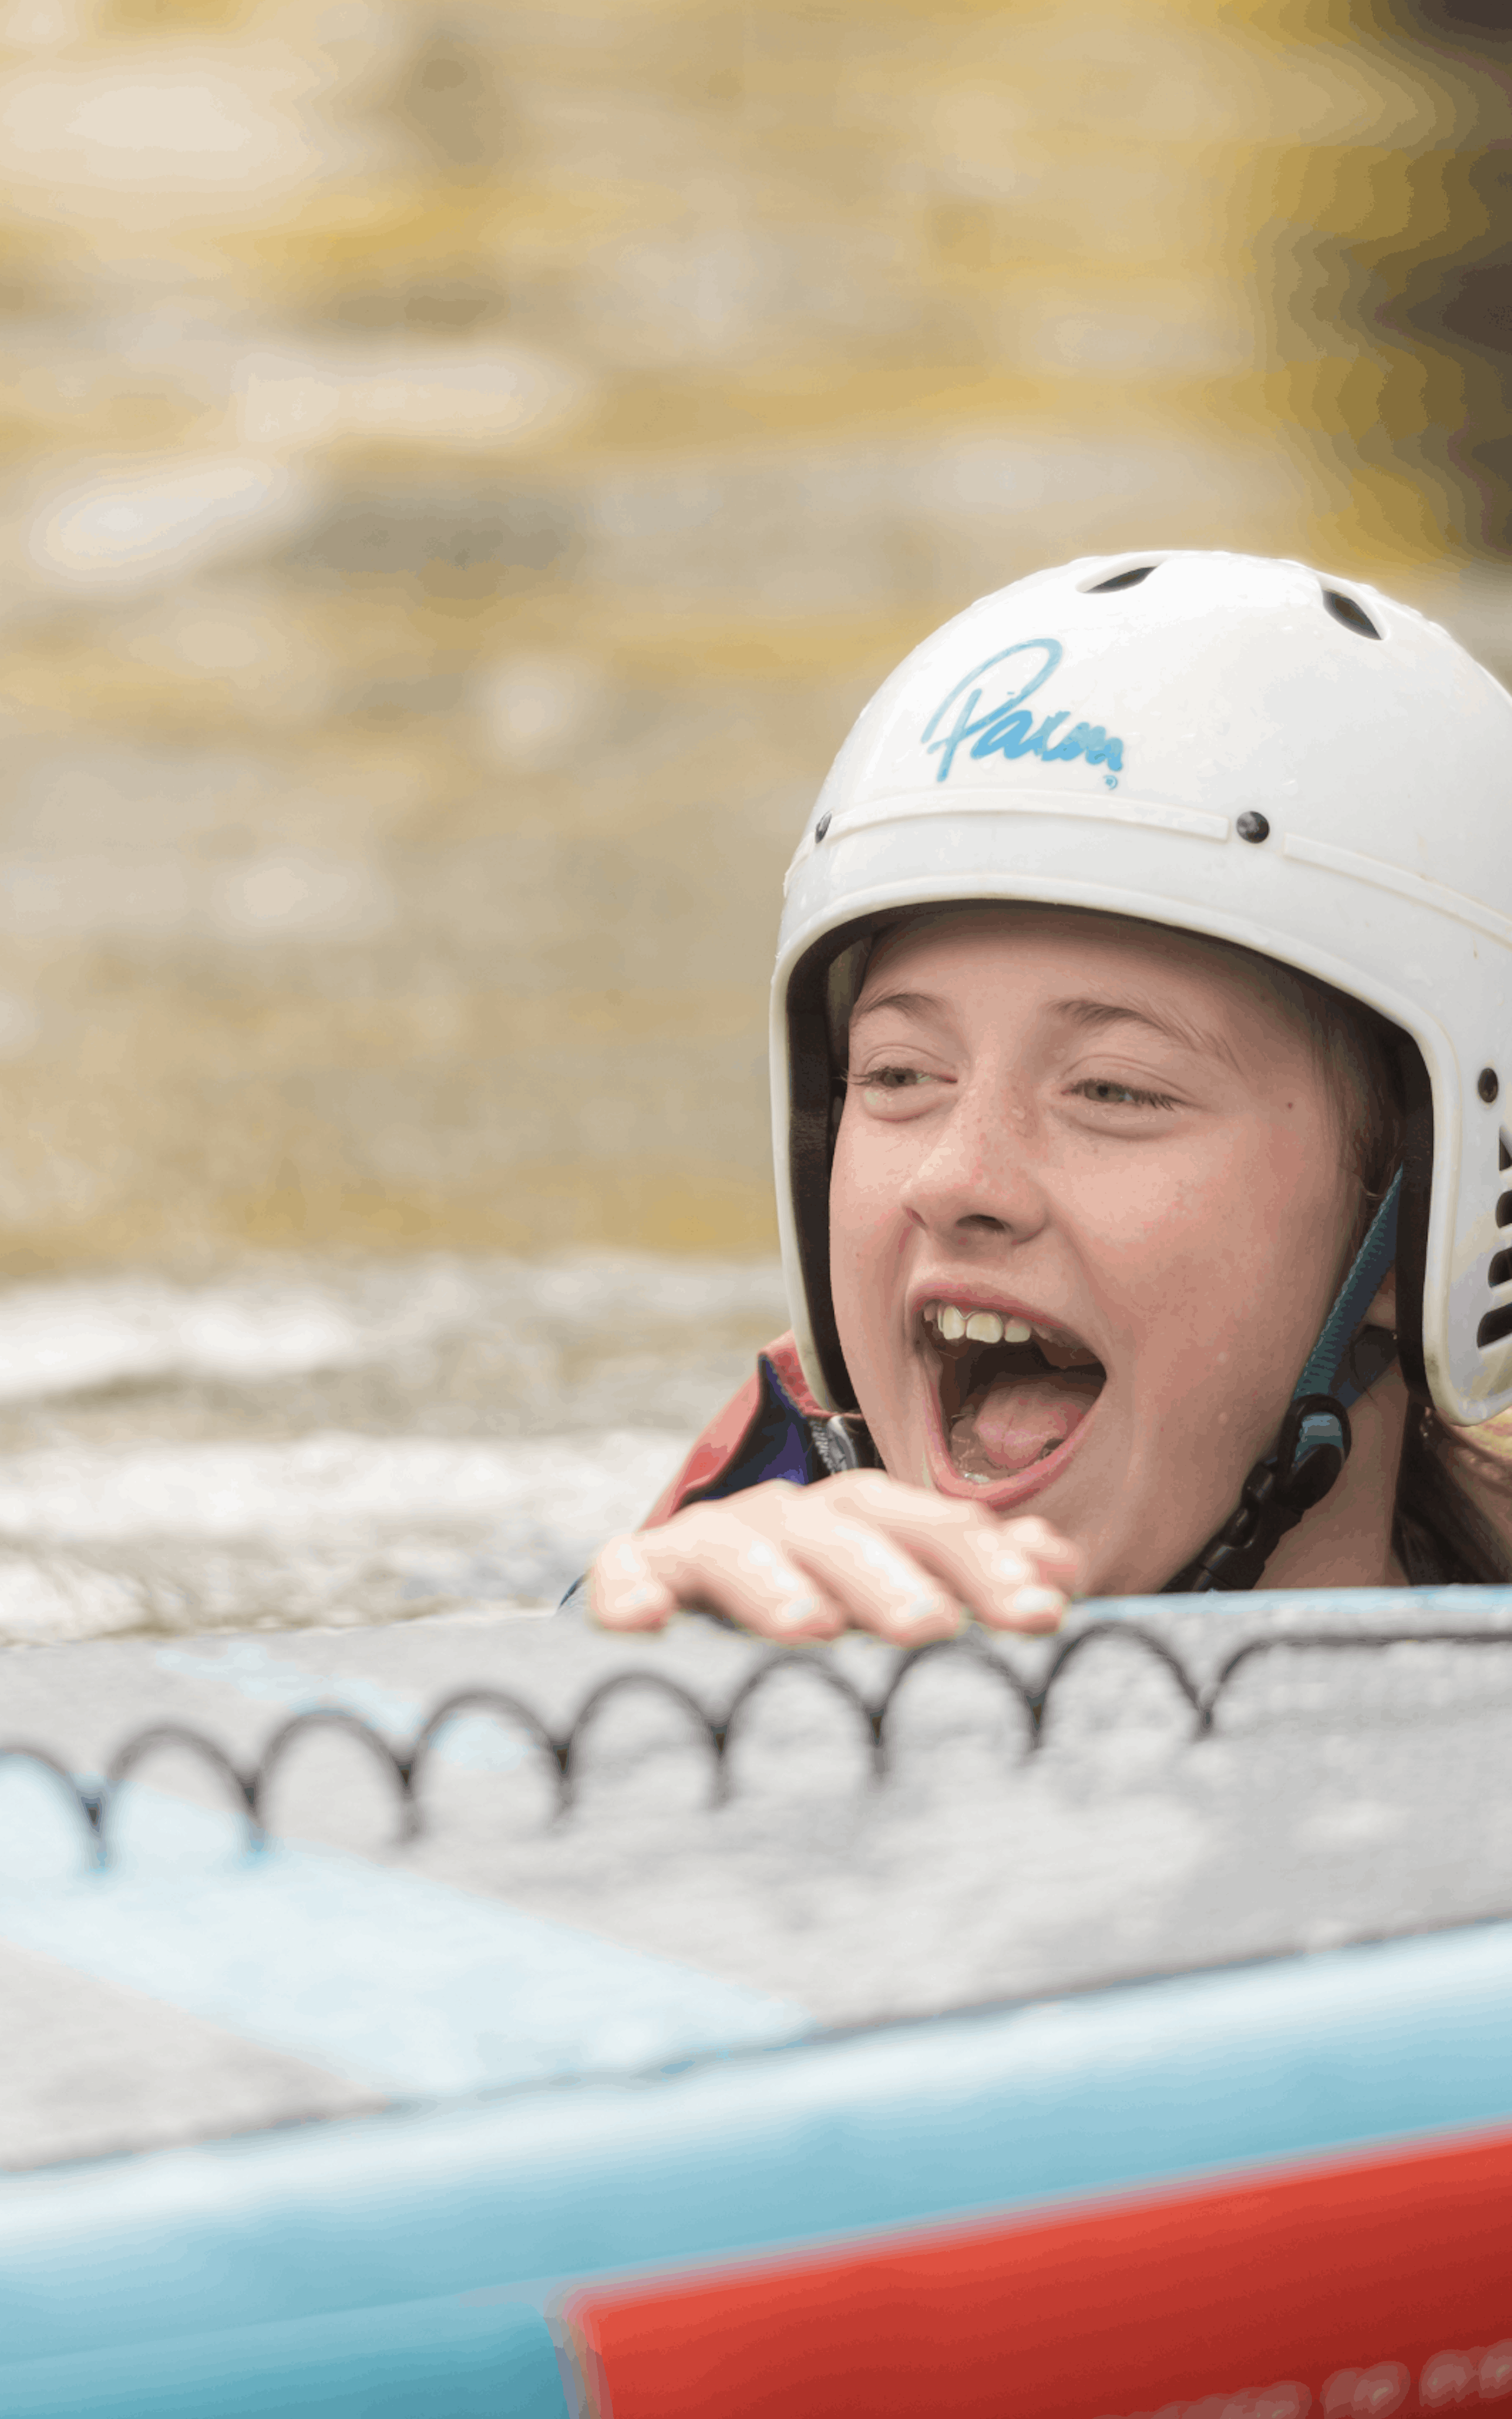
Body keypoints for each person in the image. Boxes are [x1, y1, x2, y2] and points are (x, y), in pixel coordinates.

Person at [581, 549, 1512, 1645]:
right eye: (898, 1076)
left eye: (1114, 1089)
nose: (957, 1181)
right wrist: (675, 1688)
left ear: (1433, 1214)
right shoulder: (729, 1581)